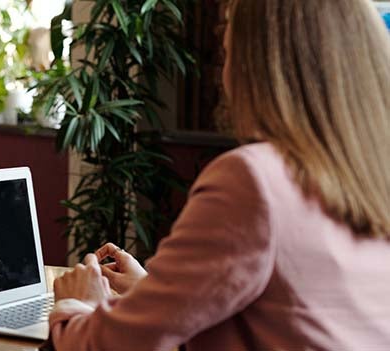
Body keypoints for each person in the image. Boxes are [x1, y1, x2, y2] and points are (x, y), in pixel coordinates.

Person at [48, 0, 390, 349]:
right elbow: (293, 311)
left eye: (227, 55)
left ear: (254, 67)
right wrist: (149, 294)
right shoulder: (370, 174)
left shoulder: (254, 179)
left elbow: (109, 345)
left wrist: (78, 306)